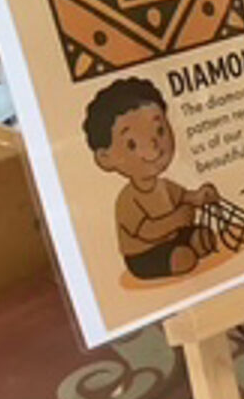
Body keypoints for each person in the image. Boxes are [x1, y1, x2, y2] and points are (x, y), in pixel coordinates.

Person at [83, 77, 222, 281]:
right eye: (132, 144)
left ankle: (187, 247)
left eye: (160, 131)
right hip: (144, 254)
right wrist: (177, 220)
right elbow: (146, 231)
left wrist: (200, 196)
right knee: (182, 259)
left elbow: (185, 196)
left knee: (204, 237)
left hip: (174, 236)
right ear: (105, 158)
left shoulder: (164, 186)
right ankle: (177, 256)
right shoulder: (128, 200)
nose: (153, 148)